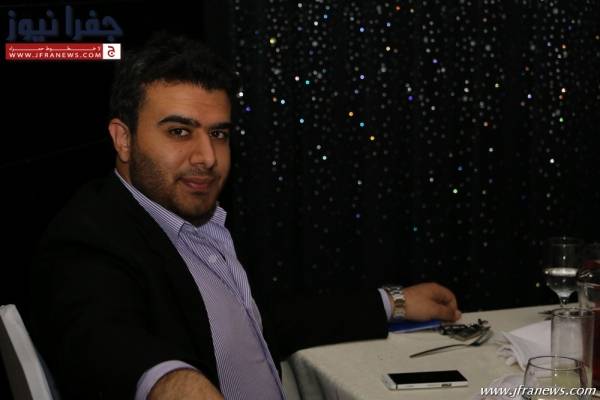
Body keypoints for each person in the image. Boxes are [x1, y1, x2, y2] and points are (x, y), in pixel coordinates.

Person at [29, 33, 461, 400]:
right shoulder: (89, 236)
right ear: (123, 139)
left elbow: (257, 321)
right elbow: (100, 335)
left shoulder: (197, 221)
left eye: (218, 133)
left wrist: (392, 302)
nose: (207, 156)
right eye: (179, 132)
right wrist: (168, 380)